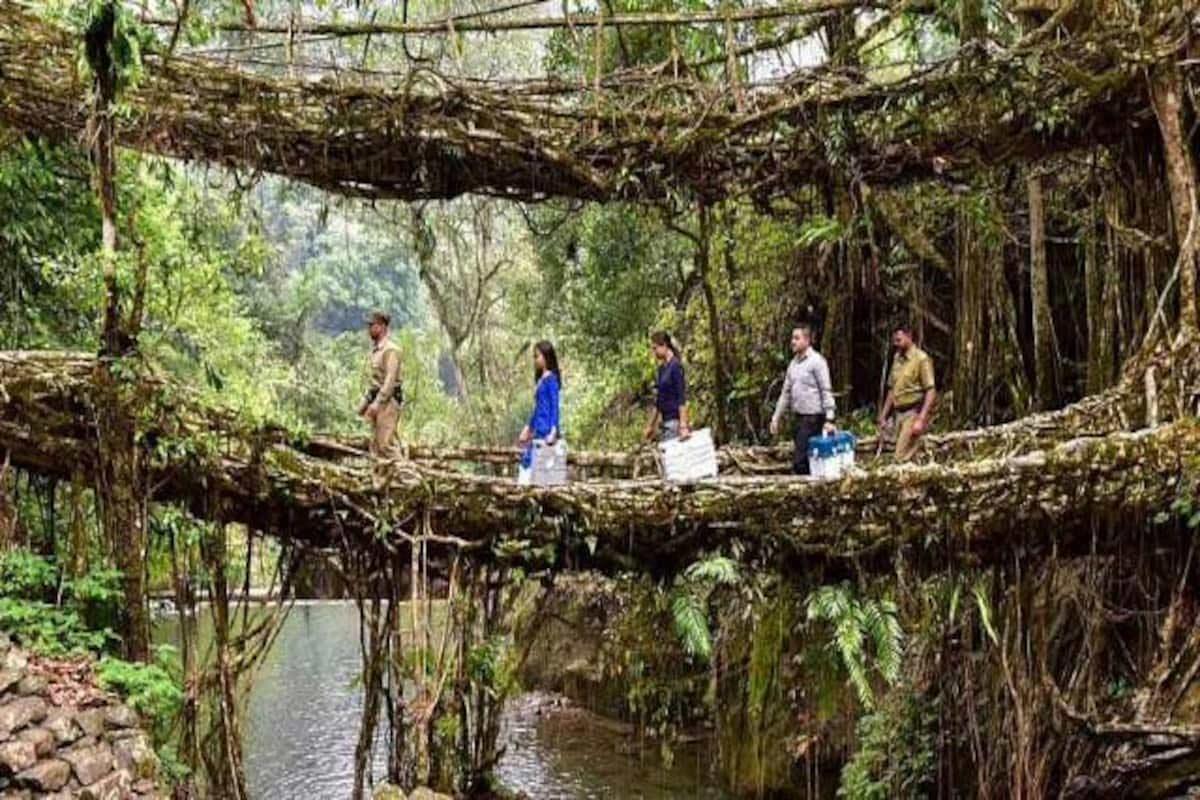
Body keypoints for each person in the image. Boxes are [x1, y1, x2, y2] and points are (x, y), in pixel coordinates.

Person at [769, 324, 837, 475]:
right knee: (806, 458)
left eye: (797, 338)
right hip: (799, 417)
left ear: (807, 341)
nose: (792, 341)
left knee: (800, 461)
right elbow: (785, 393)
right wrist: (776, 417)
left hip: (813, 418)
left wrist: (830, 419)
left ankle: (807, 490)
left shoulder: (817, 361)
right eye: (792, 338)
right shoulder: (793, 365)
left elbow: (826, 390)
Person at [877, 324, 937, 462]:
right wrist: (883, 415)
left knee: (900, 458)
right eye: (894, 341)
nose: (896, 344)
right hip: (898, 413)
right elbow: (892, 388)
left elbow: (930, 390)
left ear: (909, 336)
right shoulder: (897, 358)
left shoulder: (921, 359)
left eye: (899, 340)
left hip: (913, 412)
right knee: (908, 455)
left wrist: (921, 419)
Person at [357, 311, 403, 457]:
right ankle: (381, 480)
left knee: (386, 445)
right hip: (378, 401)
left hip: (388, 403)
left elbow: (390, 380)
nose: (369, 329)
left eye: (372, 325)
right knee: (376, 447)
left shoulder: (391, 350)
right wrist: (365, 403)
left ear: (382, 327)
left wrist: (377, 403)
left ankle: (409, 479)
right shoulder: (377, 351)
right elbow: (375, 383)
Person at [518, 340, 562, 484]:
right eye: (534, 356)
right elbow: (538, 409)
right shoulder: (541, 380)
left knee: (541, 471)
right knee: (527, 464)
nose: (535, 360)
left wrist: (554, 431)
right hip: (538, 431)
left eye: (537, 356)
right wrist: (528, 428)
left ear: (546, 357)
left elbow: (554, 406)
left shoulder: (551, 380)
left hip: (547, 432)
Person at [644, 331, 691, 442]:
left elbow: (681, 396)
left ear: (664, 345)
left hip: (675, 422)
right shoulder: (662, 370)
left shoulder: (675, 366)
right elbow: (659, 401)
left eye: (655, 348)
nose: (654, 352)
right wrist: (651, 425)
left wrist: (683, 425)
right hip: (665, 423)